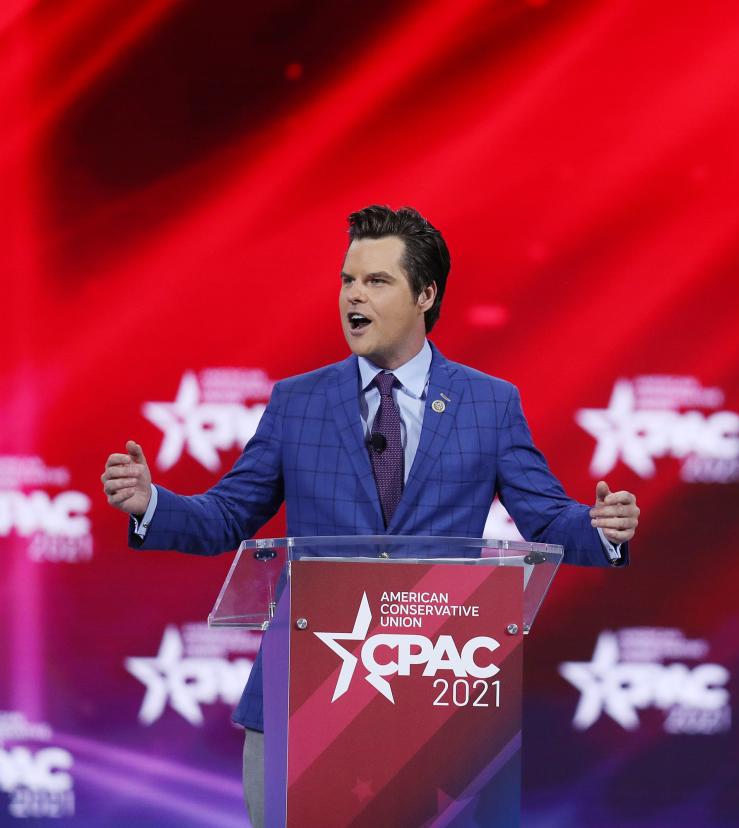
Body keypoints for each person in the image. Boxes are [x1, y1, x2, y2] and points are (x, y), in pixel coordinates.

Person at [99, 205, 639, 825]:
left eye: (376, 281)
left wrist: (600, 530)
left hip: (437, 696)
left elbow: (546, 519)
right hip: (303, 697)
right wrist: (152, 505)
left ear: (425, 294)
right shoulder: (297, 403)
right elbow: (227, 514)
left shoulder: (488, 404)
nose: (353, 296)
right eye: (347, 280)